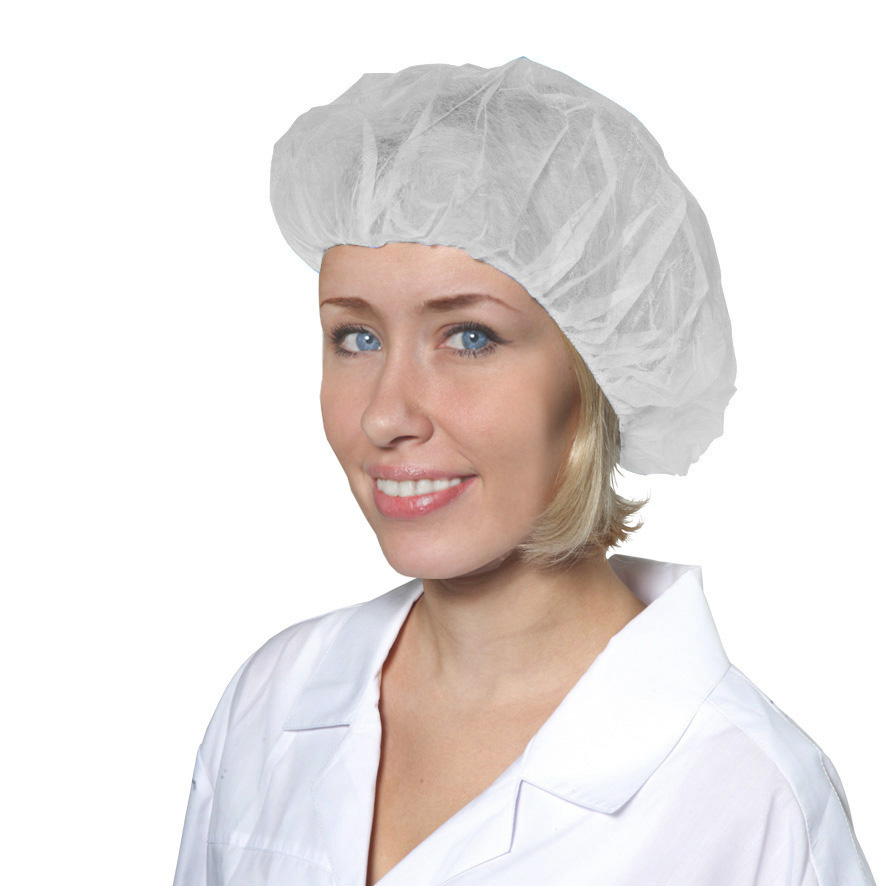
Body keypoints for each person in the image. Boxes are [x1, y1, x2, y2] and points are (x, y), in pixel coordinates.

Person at [172, 57, 876, 885]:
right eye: (356, 338)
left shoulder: (748, 797)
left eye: (469, 337)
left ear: (596, 371)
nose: (386, 415)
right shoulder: (273, 703)